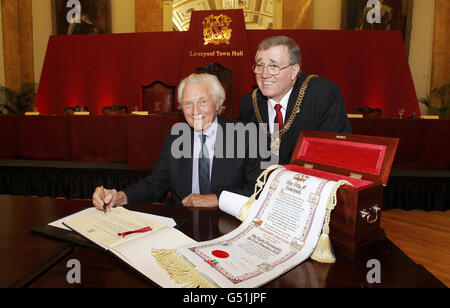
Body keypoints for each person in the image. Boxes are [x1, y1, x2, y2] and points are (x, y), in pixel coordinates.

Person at [93, 73, 260, 210]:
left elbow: (257, 188)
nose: (195, 111)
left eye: (202, 101)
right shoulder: (176, 136)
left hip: (227, 221)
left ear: (217, 103)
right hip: (182, 220)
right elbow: (156, 182)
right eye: (188, 103)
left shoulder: (244, 136)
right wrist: (120, 197)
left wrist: (217, 199)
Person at [239, 35, 351, 165]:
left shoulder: (322, 95)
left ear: (294, 70)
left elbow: (334, 153)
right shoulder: (249, 102)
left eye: (274, 66)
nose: (264, 74)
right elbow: (244, 161)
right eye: (260, 65)